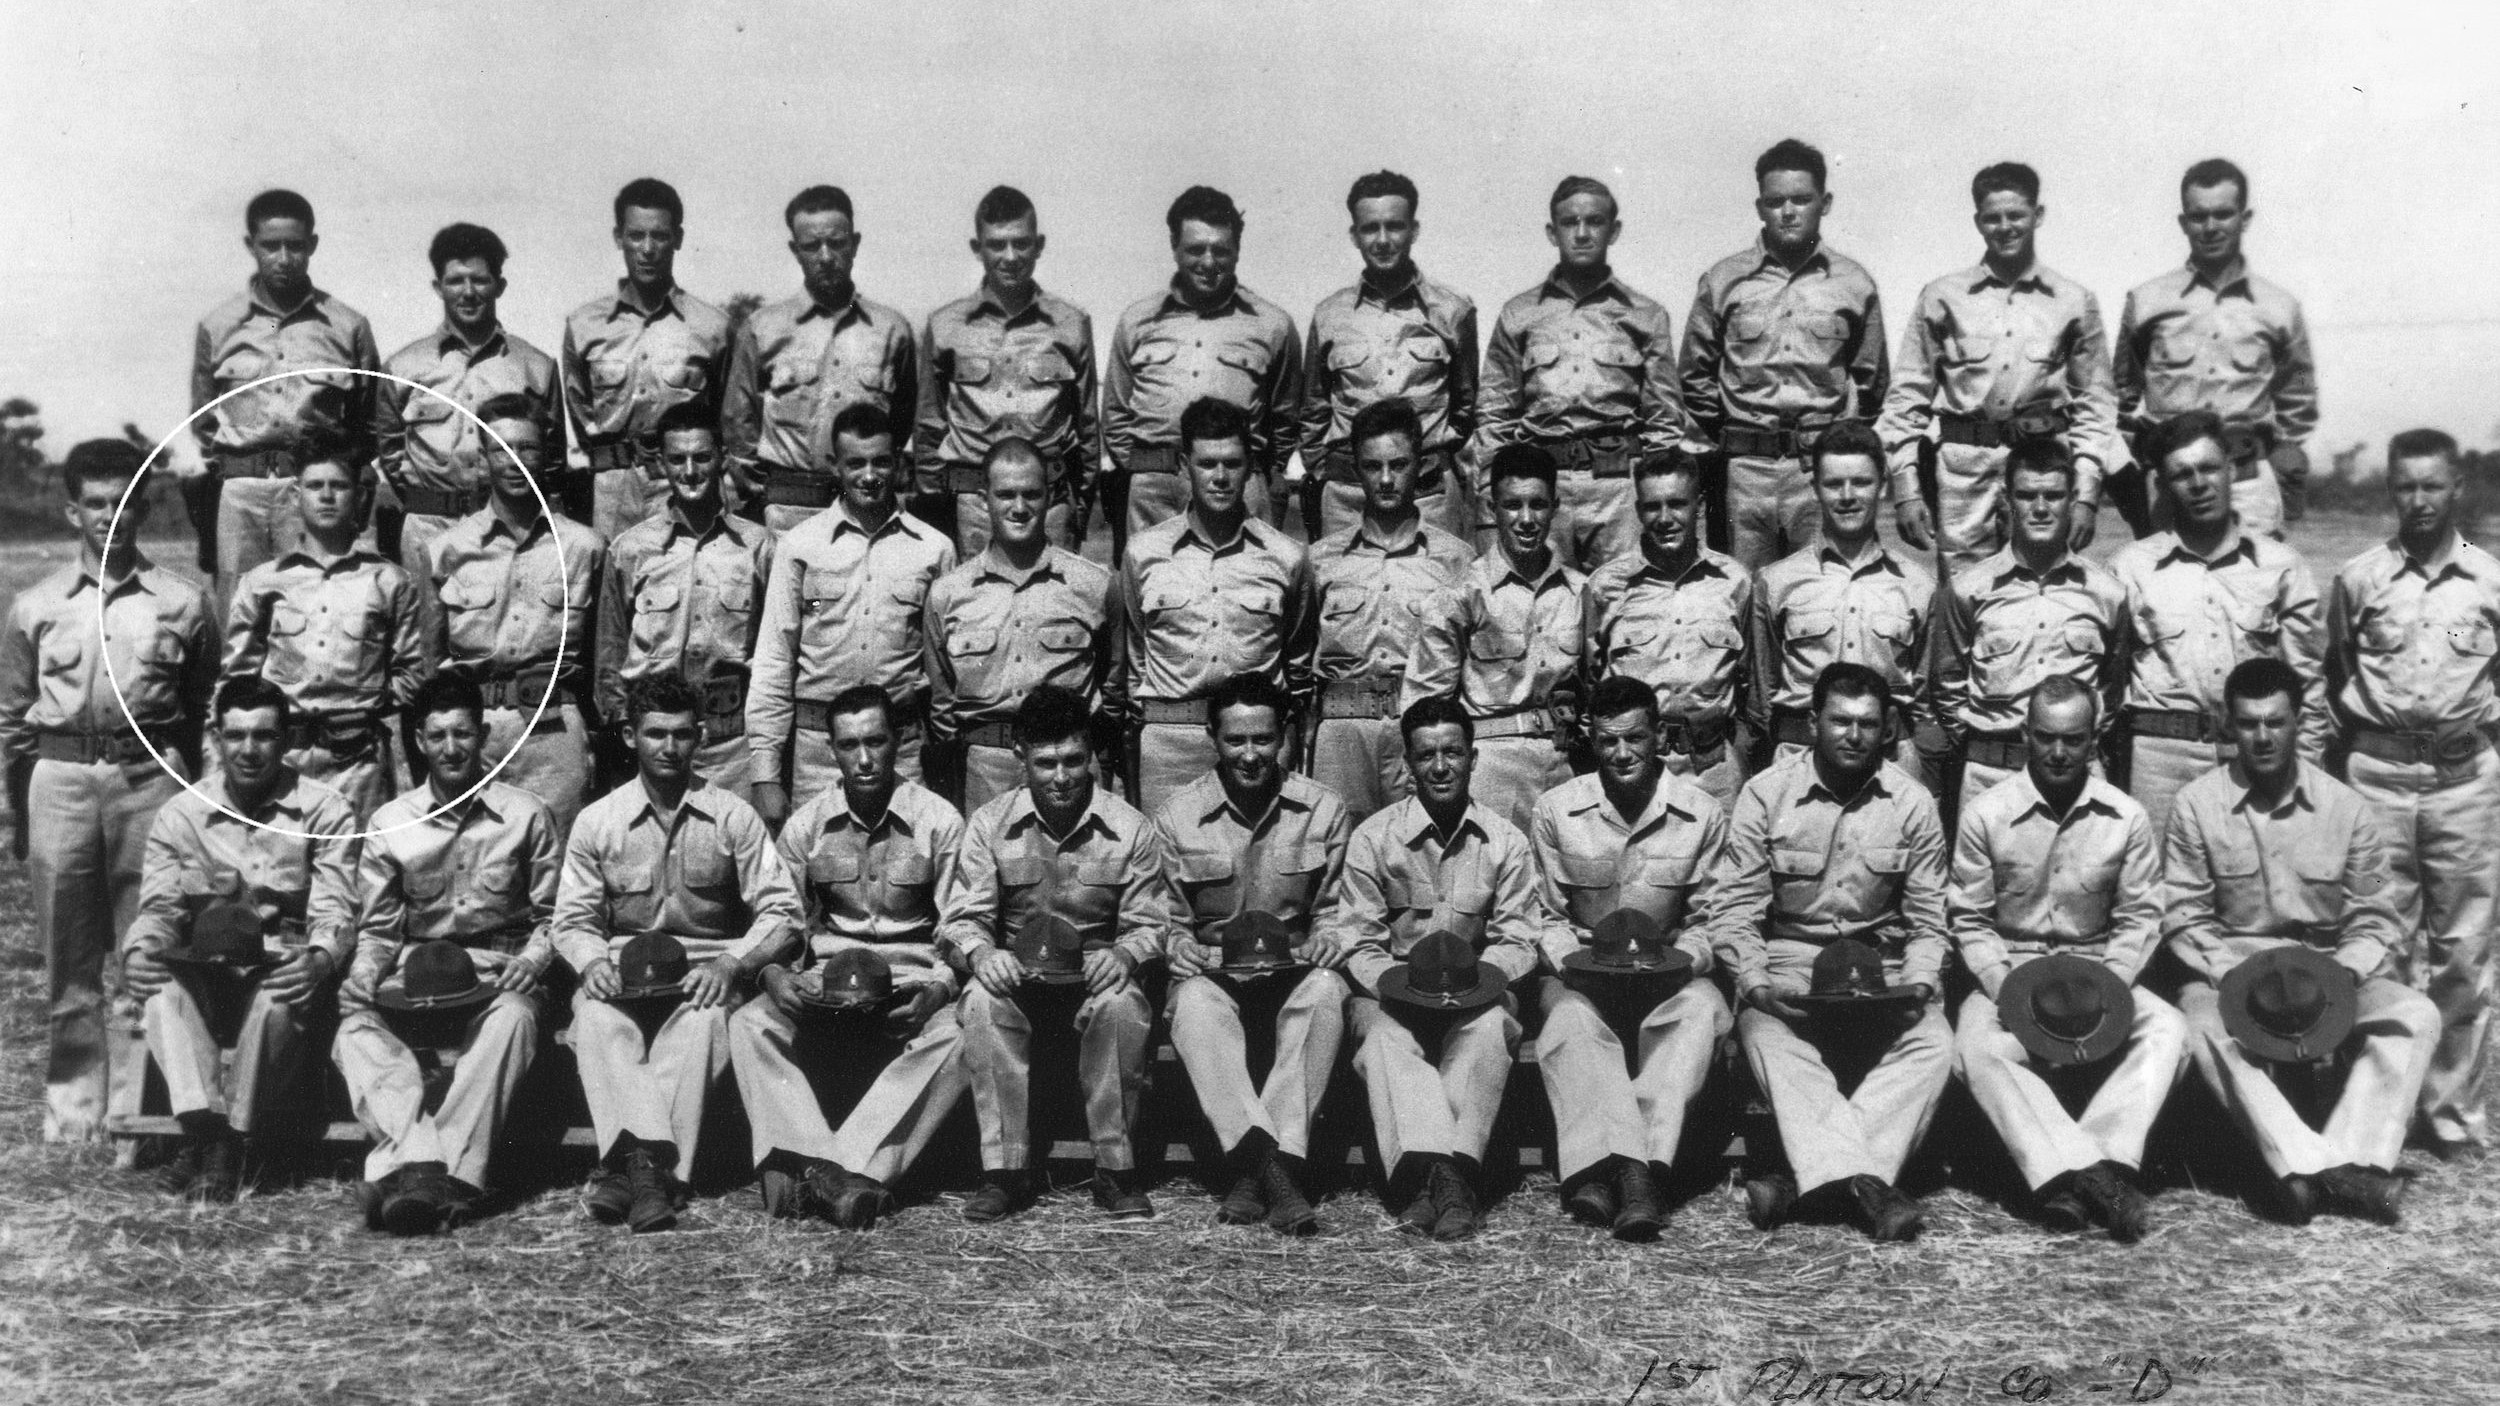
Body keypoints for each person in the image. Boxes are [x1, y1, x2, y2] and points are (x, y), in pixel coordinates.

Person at [2165, 659, 2435, 1226]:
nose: (2262, 737)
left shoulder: (2349, 809)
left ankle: (2355, 1156)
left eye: (2275, 722)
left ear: (2298, 723)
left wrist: (2344, 973)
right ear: (2226, 728)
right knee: (2197, 1028)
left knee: (2415, 1013)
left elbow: (2376, 909)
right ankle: (2309, 1165)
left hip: (2327, 970)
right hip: (2230, 970)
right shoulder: (2195, 806)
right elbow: (2184, 916)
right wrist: (2228, 972)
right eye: (2247, 724)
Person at [0, 440, 217, 1143]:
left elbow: (201, 703)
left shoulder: (183, 600)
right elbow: (11, 719)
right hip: (59, 780)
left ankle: (138, 1111)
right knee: (69, 961)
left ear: (143, 506)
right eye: (96, 502)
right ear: (73, 511)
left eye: (124, 500)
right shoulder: (36, 606)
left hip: (146, 781)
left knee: (146, 949)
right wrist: (19, 811)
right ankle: (75, 1113)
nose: (110, 516)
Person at [1705, 662, 1950, 1241]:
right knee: (1766, 1036)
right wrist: (1756, 983)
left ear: (1887, 729)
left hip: (1881, 966)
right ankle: (1867, 1185)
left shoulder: (1913, 803)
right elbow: (1734, 911)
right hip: (1792, 959)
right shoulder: (1765, 795)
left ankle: (1807, 1181)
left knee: (1936, 1043)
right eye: (1839, 721)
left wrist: (1917, 982)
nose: (1854, 735)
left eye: (1868, 723)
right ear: (1813, 722)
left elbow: (1929, 918)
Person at [553, 671, 803, 1233]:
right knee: (593, 1021)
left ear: (702, 738)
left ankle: (634, 1170)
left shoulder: (733, 816)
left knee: (705, 1023)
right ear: (628, 737)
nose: (669, 748)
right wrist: (592, 962)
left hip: (701, 973)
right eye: (655, 734)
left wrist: (731, 963)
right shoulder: (598, 821)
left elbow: (783, 913)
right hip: (621, 973)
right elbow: (572, 919)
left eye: (683, 735)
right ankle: (656, 1173)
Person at [1946, 678, 2181, 1242]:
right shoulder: (1986, 813)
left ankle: (2097, 1161)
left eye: (2072, 740)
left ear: (2095, 739)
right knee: (1976, 1049)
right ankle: (2092, 1178)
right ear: (2025, 734)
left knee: (2167, 1026)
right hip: (2012, 968)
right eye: (2046, 737)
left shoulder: (2126, 817)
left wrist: (2110, 991)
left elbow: (2140, 918)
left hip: (2096, 969)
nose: (2057, 752)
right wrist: (2006, 990)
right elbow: (1969, 919)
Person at [728, 685, 970, 1230]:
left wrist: (939, 989)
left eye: (876, 741)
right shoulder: (806, 826)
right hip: (826, 980)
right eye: (849, 744)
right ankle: (825, 1166)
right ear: (830, 748)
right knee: (749, 1024)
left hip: (909, 979)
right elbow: (783, 918)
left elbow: (958, 928)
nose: (864, 759)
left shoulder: (940, 821)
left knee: (960, 1035)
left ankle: (841, 1166)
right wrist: (771, 973)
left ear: (899, 740)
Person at [939, 685, 1179, 1222]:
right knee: (981, 1001)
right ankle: (1005, 1171)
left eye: (1074, 760)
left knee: (1123, 1004)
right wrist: (981, 956)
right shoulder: (989, 824)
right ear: (1020, 757)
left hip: (1093, 980)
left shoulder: (1130, 828)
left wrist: (1124, 955)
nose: (1062, 776)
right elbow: (961, 920)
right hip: (1017, 978)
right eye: (1045, 763)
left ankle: (1115, 1170)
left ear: (1091, 754)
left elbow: (1152, 924)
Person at [2324, 429, 2500, 1158]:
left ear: (2457, 487)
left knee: (2465, 950)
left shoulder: (2490, 580)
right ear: (2389, 490)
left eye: (2433, 486)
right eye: (2406, 487)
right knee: (2382, 945)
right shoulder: (2360, 579)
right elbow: (2335, 673)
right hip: (2380, 775)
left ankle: (2452, 1110)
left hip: (2464, 779)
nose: (2419, 501)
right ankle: (2381, 1110)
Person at [333, 673, 562, 1234]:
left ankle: (427, 1173)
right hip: (417, 979)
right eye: (437, 737)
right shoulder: (390, 823)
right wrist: (362, 976)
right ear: (418, 740)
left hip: (497, 976)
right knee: (352, 1030)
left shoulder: (526, 813)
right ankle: (427, 1166)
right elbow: (380, 929)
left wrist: (531, 964)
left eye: (463, 733)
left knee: (513, 1019)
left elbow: (556, 918)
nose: (451, 749)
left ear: (483, 734)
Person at [122, 677, 360, 1201]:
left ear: (288, 739)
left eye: (264, 736)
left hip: (283, 974)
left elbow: (336, 908)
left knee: (275, 1003)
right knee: (160, 992)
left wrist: (321, 956)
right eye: (236, 736)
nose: (248, 750)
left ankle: (231, 1142)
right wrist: (139, 950)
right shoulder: (181, 814)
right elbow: (160, 908)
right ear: (215, 737)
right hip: (208, 975)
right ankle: (209, 1136)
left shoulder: (326, 812)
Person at [1332, 694, 1549, 1241]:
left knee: (1492, 1028)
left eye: (1453, 751)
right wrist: (1402, 988)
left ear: (1474, 758)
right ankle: (1442, 1177)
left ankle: (1444, 1176)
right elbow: (1358, 938)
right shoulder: (1373, 838)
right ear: (1408, 763)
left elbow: (1520, 934)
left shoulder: (1506, 841)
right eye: (1426, 755)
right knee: (1383, 1040)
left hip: (1477, 989)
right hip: (1393, 992)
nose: (1440, 766)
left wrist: (1477, 984)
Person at [1527, 675, 1732, 1240]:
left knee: (1700, 1013)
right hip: (1580, 973)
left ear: (1658, 738)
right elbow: (1543, 915)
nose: (1622, 754)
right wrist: (1574, 964)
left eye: (1635, 739)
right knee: (1569, 1021)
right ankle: (1628, 1173)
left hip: (1666, 972)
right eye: (1608, 740)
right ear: (1591, 741)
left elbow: (1709, 919)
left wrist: (1681, 963)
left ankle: (1622, 1170)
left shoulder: (1702, 813)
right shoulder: (1555, 810)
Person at [1155, 672, 1356, 1235]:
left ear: (1285, 736)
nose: (1250, 755)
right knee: (1193, 1007)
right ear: (1212, 740)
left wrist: (1328, 939)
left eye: (1263, 739)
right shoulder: (1176, 815)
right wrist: (1179, 948)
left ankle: (1259, 1171)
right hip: (1215, 973)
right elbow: (1165, 918)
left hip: (1294, 968)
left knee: (1325, 994)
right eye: (1235, 741)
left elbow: (1339, 910)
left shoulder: (1323, 809)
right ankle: (1275, 1173)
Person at [1877, 162, 2120, 567]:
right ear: (1978, 222)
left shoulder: (2073, 301)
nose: (2005, 227)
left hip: (2042, 474)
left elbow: (2096, 405)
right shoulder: (1942, 297)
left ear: (2037, 216)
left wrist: (2088, 494)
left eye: (2016, 215)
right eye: (1992, 218)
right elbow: (1906, 397)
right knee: (1961, 594)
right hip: (1962, 478)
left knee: (2045, 591)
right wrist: (1905, 488)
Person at [2108, 411, 2326, 837]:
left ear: (2230, 470)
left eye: (2209, 468)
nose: (2198, 484)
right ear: (2166, 487)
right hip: (2158, 766)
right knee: (2163, 894)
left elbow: (2310, 687)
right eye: (2182, 474)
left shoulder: (2281, 567)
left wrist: (2307, 772)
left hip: (2252, 756)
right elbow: (2109, 683)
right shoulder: (2129, 568)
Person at [1682, 140, 1887, 570]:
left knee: (1818, 591)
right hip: (1745, 472)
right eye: (1776, 201)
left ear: (1824, 203)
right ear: (1760, 207)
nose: (1788, 211)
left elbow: (1871, 382)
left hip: (1817, 473)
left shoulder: (1853, 283)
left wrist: (1832, 443)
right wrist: (1736, 433)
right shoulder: (1723, 281)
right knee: (1743, 592)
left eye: (1801, 199)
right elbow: (1693, 376)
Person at [747, 403, 956, 821]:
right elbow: (774, 658)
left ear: (898, 464)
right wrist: (765, 772)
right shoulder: (799, 546)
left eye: (881, 462)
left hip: (900, 750)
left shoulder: (933, 550)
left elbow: (945, 671)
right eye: (855, 463)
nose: (869, 475)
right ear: (835, 467)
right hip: (818, 753)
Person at [1114, 397, 1319, 815]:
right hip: (1170, 745)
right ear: (1184, 465)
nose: (1221, 477)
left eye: (1233, 463)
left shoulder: (1287, 557)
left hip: (1253, 747)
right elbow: (1136, 656)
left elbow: (1297, 664)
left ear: (1250, 468)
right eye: (1207, 464)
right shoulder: (1143, 553)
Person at [1473, 175, 1688, 570]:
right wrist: (1493, 497)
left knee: (1624, 601)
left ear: (1614, 230)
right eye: (1570, 223)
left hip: (1618, 491)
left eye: (1595, 221)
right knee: (1543, 605)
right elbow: (1494, 415)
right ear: (1552, 233)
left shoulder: (1644, 315)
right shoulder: (1519, 315)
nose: (1583, 233)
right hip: (1541, 490)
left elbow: (1665, 419)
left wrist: (1648, 495)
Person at [189, 188, 382, 612]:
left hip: (313, 489)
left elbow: (369, 423)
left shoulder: (347, 326)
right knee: (238, 616)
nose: (283, 257)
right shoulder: (219, 326)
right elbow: (203, 419)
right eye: (270, 245)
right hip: (241, 493)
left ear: (312, 245)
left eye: (295, 246)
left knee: (314, 611)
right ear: (250, 246)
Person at [221, 427, 426, 821]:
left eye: (339, 486)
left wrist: (366, 706)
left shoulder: (389, 582)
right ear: (296, 496)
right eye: (315, 486)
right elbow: (236, 678)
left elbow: (412, 672)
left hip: (359, 764)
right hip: (282, 761)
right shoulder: (263, 582)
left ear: (359, 495)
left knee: (358, 872)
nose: (328, 496)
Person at [426, 394, 606, 840]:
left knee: (560, 867)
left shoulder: (584, 548)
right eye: (501, 449)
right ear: (483, 460)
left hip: (555, 731)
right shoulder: (448, 549)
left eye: (527, 448)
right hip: (476, 735)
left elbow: (605, 658)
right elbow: (429, 661)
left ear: (546, 455)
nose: (515, 461)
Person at [2111, 159, 2317, 541]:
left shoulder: (2279, 307)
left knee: (2253, 590)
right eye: (2198, 216)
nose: (2210, 227)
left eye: (2223, 214)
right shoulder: (2147, 302)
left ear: (2245, 218)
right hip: (2169, 484)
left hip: (2247, 482)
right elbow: (2120, 394)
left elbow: (2299, 396)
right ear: (2183, 222)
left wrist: (2285, 458)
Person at [375, 221, 563, 635]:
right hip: (428, 524)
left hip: (507, 525)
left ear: (499, 285)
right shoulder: (404, 367)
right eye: (455, 281)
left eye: (480, 280)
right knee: (424, 638)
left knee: (502, 631)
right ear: (437, 286)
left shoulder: (535, 367)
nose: (468, 291)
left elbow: (552, 457)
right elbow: (389, 449)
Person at [1102, 185, 1302, 554]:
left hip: (1236, 485)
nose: (1209, 262)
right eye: (1196, 249)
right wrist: (1150, 470)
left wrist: (1253, 471)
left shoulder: (1272, 324)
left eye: (1221, 250)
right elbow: (1115, 415)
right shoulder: (1137, 321)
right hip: (1154, 491)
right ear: (1175, 247)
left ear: (1237, 250)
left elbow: (1286, 417)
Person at [1929, 438, 2127, 806]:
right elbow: (1946, 687)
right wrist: (1985, 748)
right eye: (2025, 496)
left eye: (2053, 496)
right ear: (2005, 500)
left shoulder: (2107, 593)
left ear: (2073, 499)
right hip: (1990, 774)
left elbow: (2112, 690)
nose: (2039, 509)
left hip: (2076, 776)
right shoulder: (1967, 590)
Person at [924, 438, 1116, 813]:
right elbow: (942, 703)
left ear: (1050, 496)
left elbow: (1114, 680)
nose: (1019, 507)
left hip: (1068, 765)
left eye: (1031, 494)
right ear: (984, 499)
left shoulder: (1093, 585)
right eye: (1005, 494)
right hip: (986, 770)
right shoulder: (948, 594)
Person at [1402, 444, 1587, 831]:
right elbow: (1426, 704)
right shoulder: (1461, 593)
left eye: (1537, 505)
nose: (1526, 519)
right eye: (1512, 505)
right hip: (1491, 768)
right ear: (1491, 509)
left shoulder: (1582, 593)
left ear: (1555, 506)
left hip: (1565, 765)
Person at [595, 404, 775, 801]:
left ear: (723, 459)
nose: (690, 471)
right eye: (677, 459)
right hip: (652, 744)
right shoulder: (630, 550)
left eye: (702, 457)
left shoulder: (759, 548)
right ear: (661, 463)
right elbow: (610, 656)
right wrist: (625, 731)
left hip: (729, 746)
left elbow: (773, 657)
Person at [1307, 399, 1476, 821]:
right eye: (1372, 466)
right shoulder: (1320, 560)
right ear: (1356, 469)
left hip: (1419, 733)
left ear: (1419, 465)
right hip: (1342, 736)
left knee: (1419, 857)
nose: (1385, 479)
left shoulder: (1457, 560)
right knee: (1337, 855)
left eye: (1398, 465)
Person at [1748, 421, 1937, 789]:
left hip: (1890, 763)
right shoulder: (1776, 581)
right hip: (1799, 763)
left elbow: (1926, 693)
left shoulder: (1917, 585)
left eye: (1861, 483)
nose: (1847, 496)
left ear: (1882, 486)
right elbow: (1762, 694)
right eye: (1834, 484)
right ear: (1815, 488)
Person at [916, 185, 1100, 555]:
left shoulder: (1070, 323)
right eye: (997, 244)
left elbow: (1087, 429)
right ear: (977, 248)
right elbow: (929, 430)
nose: (1011, 256)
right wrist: (936, 513)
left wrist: (1077, 511)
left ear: (1039, 244)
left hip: (1049, 506)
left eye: (1022, 243)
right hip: (972, 507)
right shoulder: (946, 326)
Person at [728, 184, 921, 533]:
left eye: (837, 242)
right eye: (812, 245)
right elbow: (739, 427)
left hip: (867, 512)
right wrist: (761, 501)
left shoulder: (893, 330)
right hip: (786, 513)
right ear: (795, 250)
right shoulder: (763, 329)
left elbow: (903, 421)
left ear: (855, 244)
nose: (826, 255)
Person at [1300, 170, 1478, 541]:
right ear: (1354, 235)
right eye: (1370, 228)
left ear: (1413, 230)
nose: (1382, 240)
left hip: (1428, 495)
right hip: (1348, 499)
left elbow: (1467, 407)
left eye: (1394, 227)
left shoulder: (1452, 311)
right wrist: (1329, 474)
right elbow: (1313, 411)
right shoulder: (1329, 315)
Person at [559, 177, 733, 539]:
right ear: (618, 237)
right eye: (637, 236)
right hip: (612, 492)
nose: (648, 249)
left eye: (660, 236)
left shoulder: (712, 327)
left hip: (686, 486)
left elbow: (726, 417)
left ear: (678, 239)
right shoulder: (585, 326)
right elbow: (581, 413)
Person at [1580, 453, 1753, 808]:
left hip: (1714, 770)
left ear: (1700, 505)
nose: (1664, 519)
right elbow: (1589, 684)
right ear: (1638, 510)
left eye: (1677, 504)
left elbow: (1752, 684)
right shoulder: (1606, 587)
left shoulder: (1734, 582)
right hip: (1635, 773)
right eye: (1652, 507)